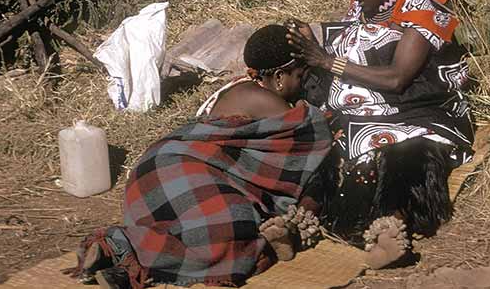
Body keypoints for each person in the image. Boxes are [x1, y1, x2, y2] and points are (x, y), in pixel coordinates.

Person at [74, 26, 332, 288]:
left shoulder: (235, 89)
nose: (302, 87)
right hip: (181, 169)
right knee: (229, 234)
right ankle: (123, 246)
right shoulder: (263, 99)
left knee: (195, 232)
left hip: (149, 179)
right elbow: (309, 142)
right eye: (300, 76)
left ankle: (118, 262)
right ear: (279, 77)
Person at [287, 0, 473, 250]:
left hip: (415, 109)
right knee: (319, 143)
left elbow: (397, 78)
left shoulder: (420, 12)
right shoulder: (364, 6)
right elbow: (353, 39)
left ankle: (393, 227)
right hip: (363, 108)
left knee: (410, 153)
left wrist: (328, 61)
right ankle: (301, 220)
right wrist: (310, 39)